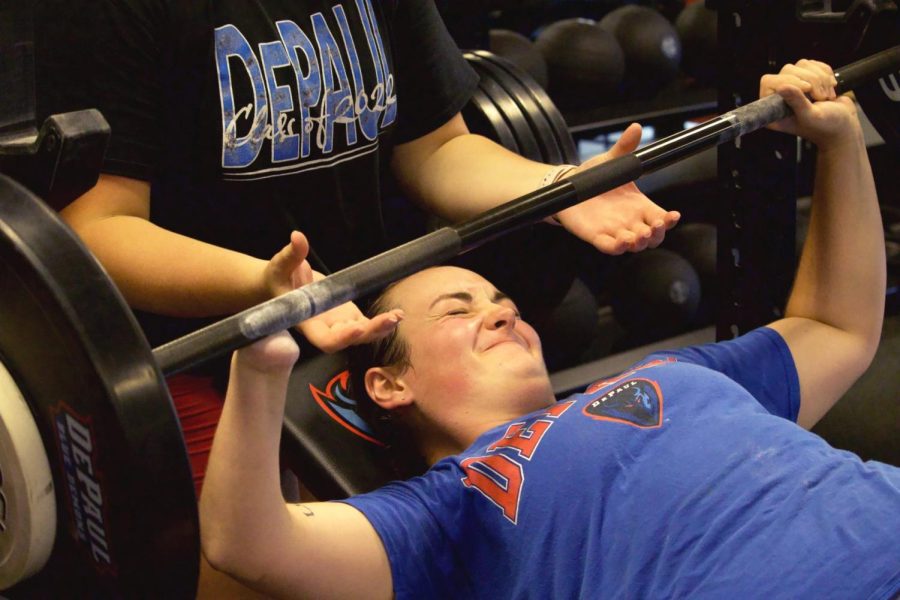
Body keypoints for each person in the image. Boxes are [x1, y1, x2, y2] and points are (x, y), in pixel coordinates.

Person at [199, 60, 900, 598]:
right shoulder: (452, 506)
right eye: (457, 308)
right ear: (388, 383)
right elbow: (248, 544)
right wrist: (258, 361)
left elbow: (836, 327)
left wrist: (840, 145)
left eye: (499, 299)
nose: (502, 311)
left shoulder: (675, 375)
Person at [35, 0, 678, 497]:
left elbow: (438, 150)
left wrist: (559, 188)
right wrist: (266, 287)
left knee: (485, 522)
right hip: (199, 353)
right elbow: (98, 228)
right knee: (257, 569)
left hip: (363, 329)